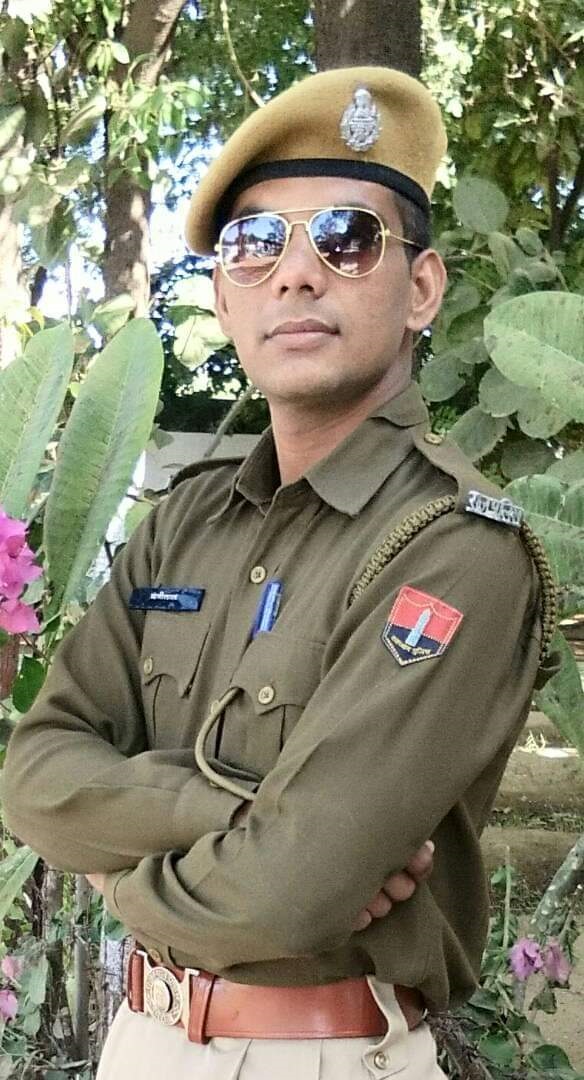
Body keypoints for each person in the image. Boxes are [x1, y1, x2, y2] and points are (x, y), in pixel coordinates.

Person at [1, 66, 556, 1080]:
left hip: (327, 1052)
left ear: (420, 288)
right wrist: (228, 814)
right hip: (140, 1043)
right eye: (256, 244)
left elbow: (292, 892)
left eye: (346, 238)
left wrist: (114, 873)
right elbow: (34, 777)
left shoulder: (454, 544)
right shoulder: (185, 523)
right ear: (224, 296)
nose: (296, 274)